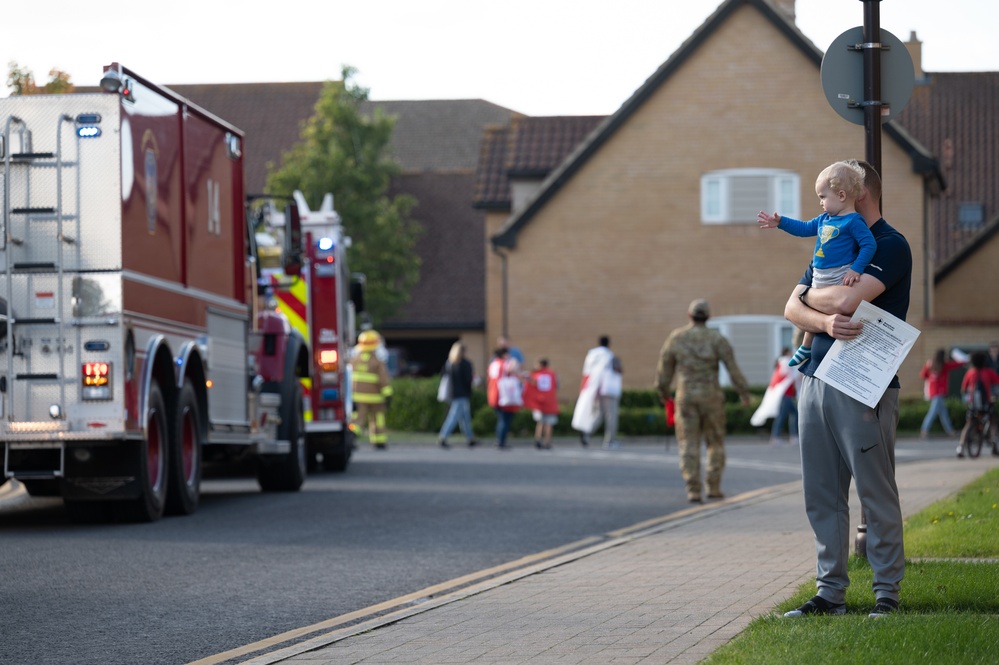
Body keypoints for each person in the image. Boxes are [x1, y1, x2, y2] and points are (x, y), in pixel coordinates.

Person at [781, 159, 909, 619]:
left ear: (857, 194)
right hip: (814, 378)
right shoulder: (830, 236)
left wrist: (808, 300)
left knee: (876, 492)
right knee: (822, 494)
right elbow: (790, 310)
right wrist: (819, 318)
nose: (824, 204)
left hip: (863, 386)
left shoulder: (890, 246)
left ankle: (886, 593)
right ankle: (829, 593)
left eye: (831, 194)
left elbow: (844, 298)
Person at [758, 161, 876, 368]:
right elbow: (803, 228)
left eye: (823, 197)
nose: (821, 202)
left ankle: (808, 347)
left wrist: (856, 269)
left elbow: (868, 244)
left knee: (823, 307)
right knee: (813, 309)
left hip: (838, 275)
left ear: (841, 196)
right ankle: (805, 346)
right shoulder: (824, 219)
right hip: (819, 275)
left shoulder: (854, 221)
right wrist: (781, 222)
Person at [655, 300, 751, 503]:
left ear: (689, 315)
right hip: (712, 398)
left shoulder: (677, 337)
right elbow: (732, 368)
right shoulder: (716, 338)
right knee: (715, 443)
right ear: (708, 317)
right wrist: (743, 393)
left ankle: (693, 489)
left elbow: (664, 369)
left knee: (688, 443)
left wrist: (663, 393)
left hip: (686, 398)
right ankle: (713, 486)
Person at [350, 330, 393, 449]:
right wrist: (388, 395)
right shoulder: (377, 361)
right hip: (376, 398)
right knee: (378, 419)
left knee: (358, 420)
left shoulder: (354, 360)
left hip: (357, 397)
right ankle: (379, 442)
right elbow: (383, 380)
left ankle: (351, 438)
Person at [572, 336, 614, 446]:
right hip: (603, 389)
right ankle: (607, 439)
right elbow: (607, 374)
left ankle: (586, 430)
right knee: (607, 414)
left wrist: (583, 387)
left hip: (590, 387)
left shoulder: (591, 354)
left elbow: (586, 372)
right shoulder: (608, 355)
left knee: (593, 412)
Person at [957, 351, 999, 458]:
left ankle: (960, 447)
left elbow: (964, 389)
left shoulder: (970, 373)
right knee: (993, 421)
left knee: (968, 424)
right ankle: (994, 443)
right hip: (986, 404)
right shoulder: (989, 372)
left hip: (973, 404)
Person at [437, 342, 478, 449]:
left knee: (465, 417)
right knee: (454, 416)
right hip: (462, 393)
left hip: (452, 393)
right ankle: (443, 436)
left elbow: (442, 376)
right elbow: (468, 380)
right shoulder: (465, 364)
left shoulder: (449, 363)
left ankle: (470, 438)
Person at [918, 348, 965, 439]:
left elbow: (923, 375)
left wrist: (928, 369)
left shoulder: (930, 364)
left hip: (933, 391)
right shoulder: (945, 365)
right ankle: (924, 430)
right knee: (933, 412)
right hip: (939, 392)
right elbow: (956, 365)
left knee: (943, 413)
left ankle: (950, 431)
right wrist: (964, 360)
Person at [523, 358, 560, 449]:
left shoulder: (536, 375)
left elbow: (533, 383)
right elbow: (556, 386)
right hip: (550, 402)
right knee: (549, 423)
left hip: (539, 402)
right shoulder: (552, 374)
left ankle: (538, 439)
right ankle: (547, 442)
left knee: (540, 422)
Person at [769, 348, 799, 446]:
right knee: (785, 415)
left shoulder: (781, 362)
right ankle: (777, 436)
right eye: (790, 352)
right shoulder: (785, 361)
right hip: (785, 394)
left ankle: (791, 436)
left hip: (787, 394)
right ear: (787, 353)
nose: (792, 354)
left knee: (792, 414)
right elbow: (790, 376)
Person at [598, 355, 623, 449]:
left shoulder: (604, 367)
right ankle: (609, 441)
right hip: (611, 393)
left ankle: (586, 432)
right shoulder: (613, 367)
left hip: (604, 392)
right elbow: (619, 370)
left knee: (602, 415)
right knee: (612, 417)